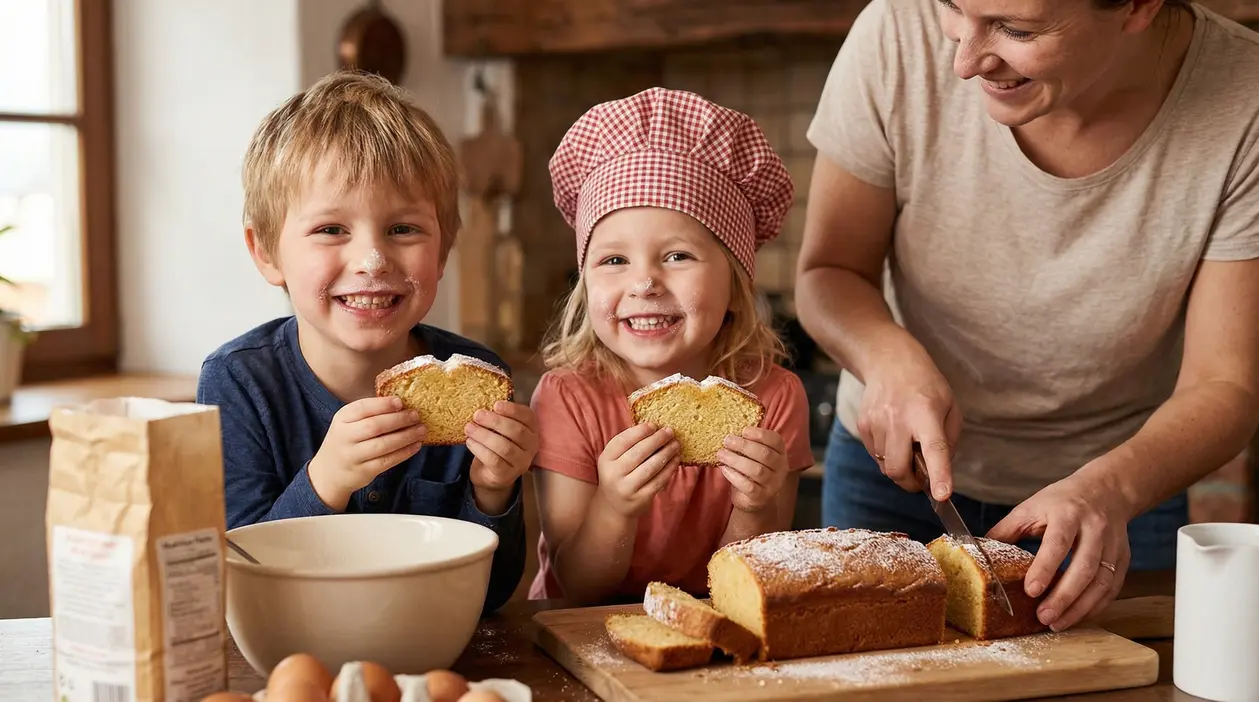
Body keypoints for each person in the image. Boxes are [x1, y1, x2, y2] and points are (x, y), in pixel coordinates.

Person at [795, 0, 1259, 633]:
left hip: (1119, 489)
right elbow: (828, 274)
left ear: (1138, 8)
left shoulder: (1246, 99)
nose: (962, 60)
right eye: (953, 7)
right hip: (890, 478)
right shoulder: (895, 29)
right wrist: (888, 360)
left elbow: (1225, 385)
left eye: (1016, 30)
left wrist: (1111, 492)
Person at [196, 70, 538, 614]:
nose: (372, 260)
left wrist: (492, 489)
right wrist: (325, 480)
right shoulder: (239, 382)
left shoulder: (479, 378)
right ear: (266, 253)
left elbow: (491, 597)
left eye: (403, 230)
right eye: (331, 229)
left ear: (443, 250)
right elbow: (235, 584)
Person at [527, 88, 815, 605]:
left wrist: (753, 506)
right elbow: (576, 588)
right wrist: (615, 507)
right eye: (614, 261)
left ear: (736, 283)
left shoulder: (772, 399)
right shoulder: (567, 397)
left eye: (678, 255)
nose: (644, 283)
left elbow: (743, 589)